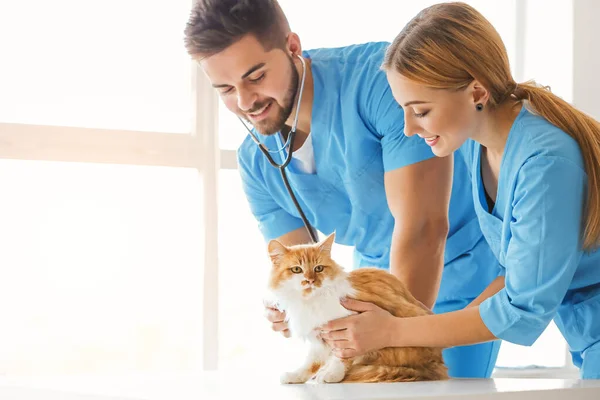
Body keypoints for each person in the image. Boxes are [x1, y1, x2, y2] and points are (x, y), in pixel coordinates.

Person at [183, 0, 502, 378]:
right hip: (368, 284)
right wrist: (293, 306)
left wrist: (393, 330)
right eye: (225, 89)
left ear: (292, 47)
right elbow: (296, 263)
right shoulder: (256, 163)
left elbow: (424, 227)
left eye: (255, 77)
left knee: (430, 386)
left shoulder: (380, 80)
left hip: (458, 267)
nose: (245, 102)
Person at [319, 2, 600, 380]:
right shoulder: (477, 146)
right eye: (404, 110)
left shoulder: (544, 162)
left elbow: (522, 307)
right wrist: (416, 338)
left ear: (476, 92)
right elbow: (516, 274)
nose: (408, 129)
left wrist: (395, 330)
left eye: (420, 111)